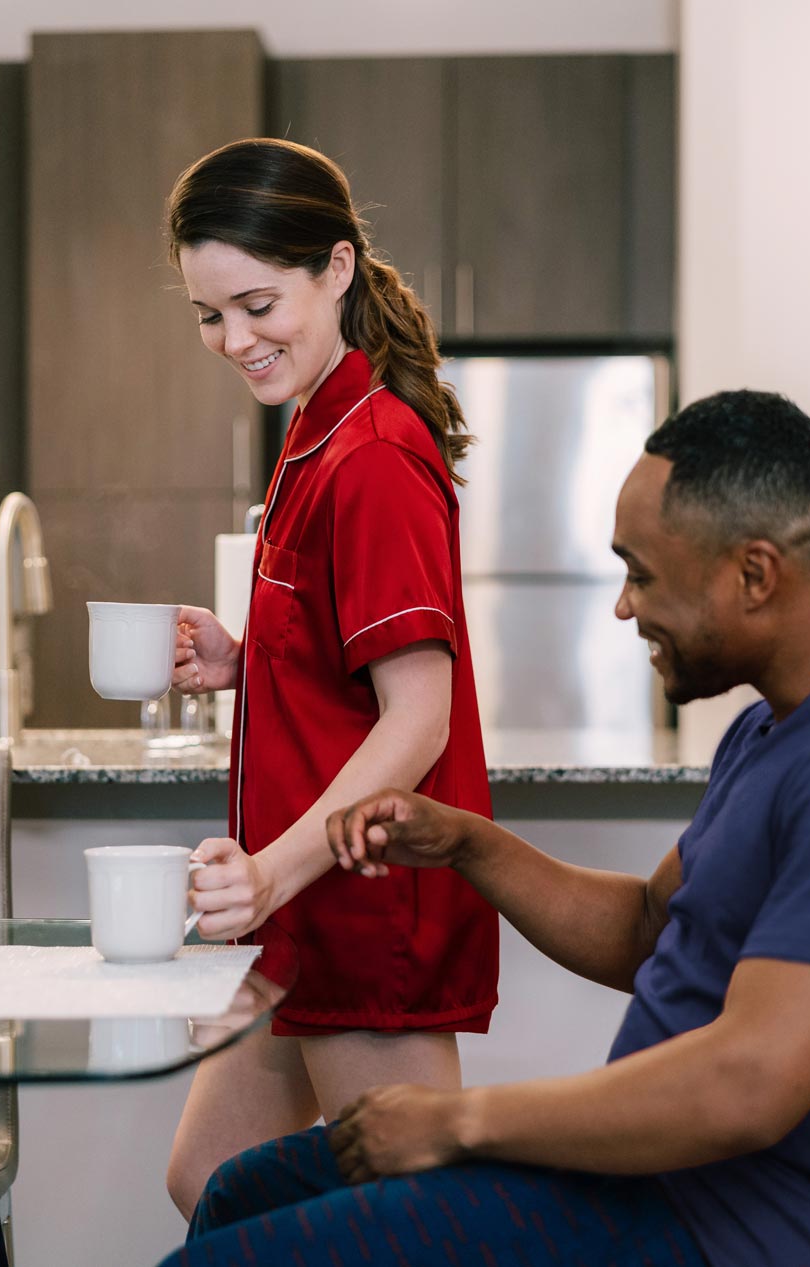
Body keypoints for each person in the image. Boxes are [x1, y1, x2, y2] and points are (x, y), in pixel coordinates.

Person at [159, 390, 810, 1267]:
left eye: (643, 573)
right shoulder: (783, 728)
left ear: (756, 575)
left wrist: (460, 1122)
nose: (624, 606)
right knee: (238, 1191)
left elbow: (749, 1082)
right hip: (644, 1191)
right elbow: (647, 928)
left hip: (723, 1233)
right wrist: (465, 843)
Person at [160, 138, 500, 1216]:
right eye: (210, 315)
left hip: (360, 903)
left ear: (337, 270)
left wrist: (265, 877)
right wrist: (246, 657)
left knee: (407, 1225)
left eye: (256, 304)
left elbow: (418, 717)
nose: (233, 339)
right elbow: (343, 657)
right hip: (303, 909)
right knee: (210, 1185)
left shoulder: (373, 455)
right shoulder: (316, 428)